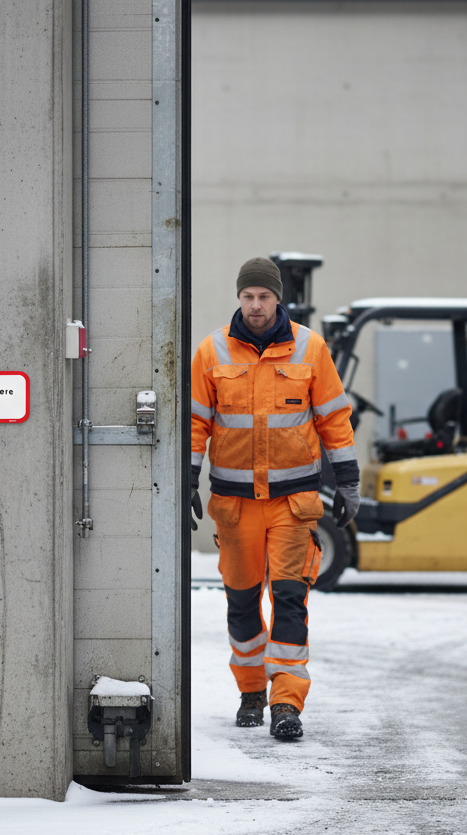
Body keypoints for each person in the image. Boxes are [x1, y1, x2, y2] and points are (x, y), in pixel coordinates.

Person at [190, 256, 360, 739]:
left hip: (293, 502)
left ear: (277, 297)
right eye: (248, 296)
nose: (257, 305)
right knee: (242, 603)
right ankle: (250, 691)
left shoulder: (310, 348)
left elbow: (333, 419)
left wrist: (348, 483)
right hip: (235, 504)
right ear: (238, 298)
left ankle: (286, 702)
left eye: (264, 296)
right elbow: (197, 423)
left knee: (290, 600)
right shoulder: (212, 351)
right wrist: (188, 480)